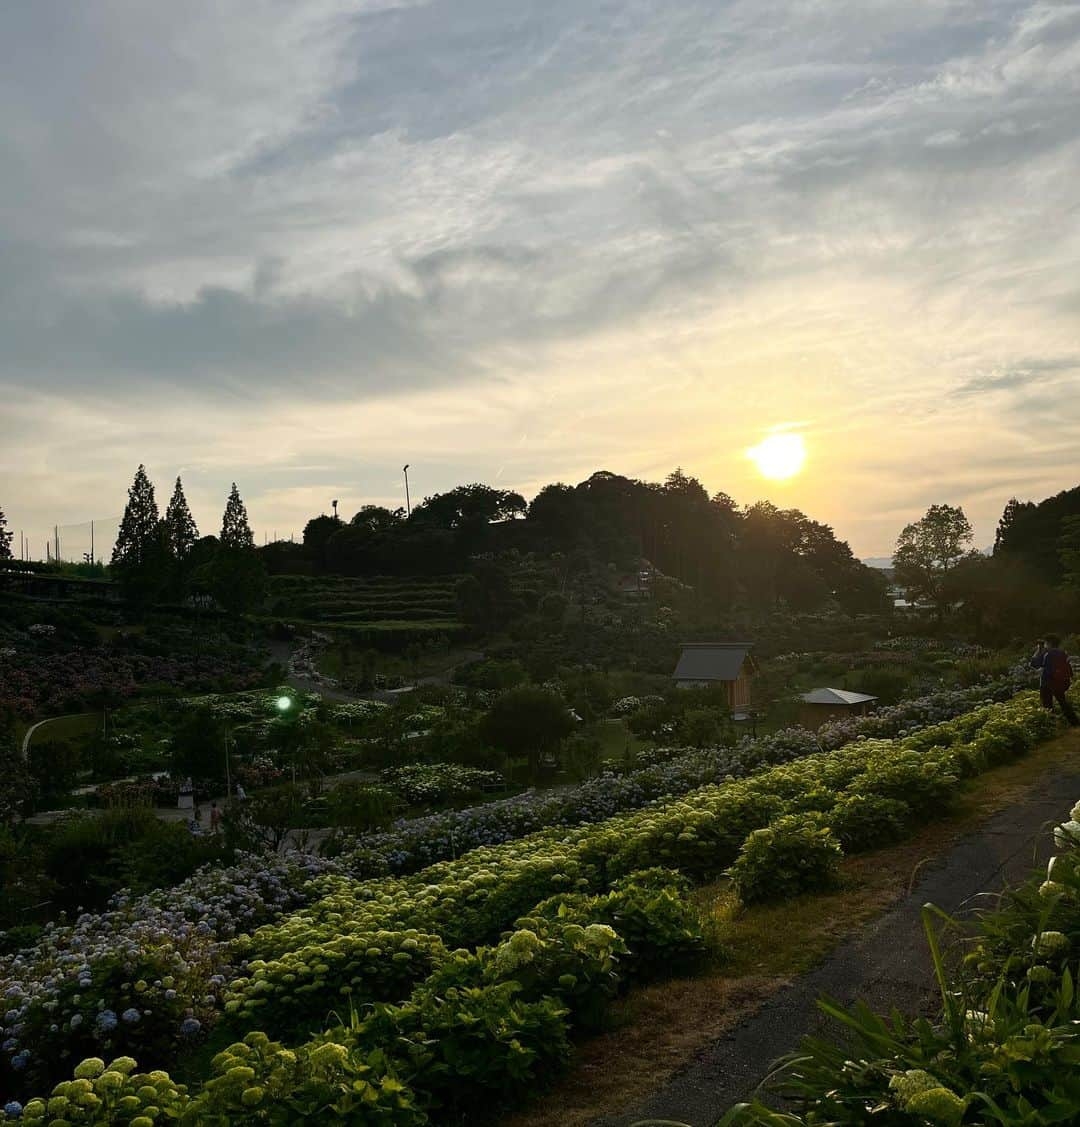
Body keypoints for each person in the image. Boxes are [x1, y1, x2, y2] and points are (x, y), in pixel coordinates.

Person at [1031, 635, 1079, 726]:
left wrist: (1037, 651)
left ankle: (1051, 726)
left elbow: (1034, 664)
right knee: (1063, 702)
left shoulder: (1047, 654)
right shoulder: (1062, 653)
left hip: (1047, 682)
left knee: (1047, 706)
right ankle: (1075, 722)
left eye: (1045, 643)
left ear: (1049, 643)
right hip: (1060, 682)